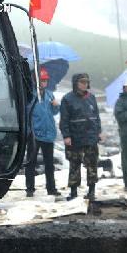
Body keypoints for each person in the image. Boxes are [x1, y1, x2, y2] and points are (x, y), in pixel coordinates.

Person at [59, 73, 102, 201]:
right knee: (74, 164)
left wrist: (98, 131)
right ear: (75, 83)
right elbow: (64, 120)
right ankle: (73, 192)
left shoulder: (92, 98)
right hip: (75, 137)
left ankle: (91, 191)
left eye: (86, 82)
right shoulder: (67, 99)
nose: (85, 84)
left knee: (92, 164)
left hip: (90, 137)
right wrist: (66, 135)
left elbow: (96, 116)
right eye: (82, 82)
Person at [25, 67, 61, 197]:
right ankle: (30, 188)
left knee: (49, 164)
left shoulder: (50, 94)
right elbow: (27, 112)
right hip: (35, 134)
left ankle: (51, 188)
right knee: (31, 162)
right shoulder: (31, 95)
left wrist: (56, 106)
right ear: (35, 80)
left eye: (45, 80)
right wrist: (28, 131)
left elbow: (54, 112)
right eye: (41, 80)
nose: (43, 83)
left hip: (48, 134)